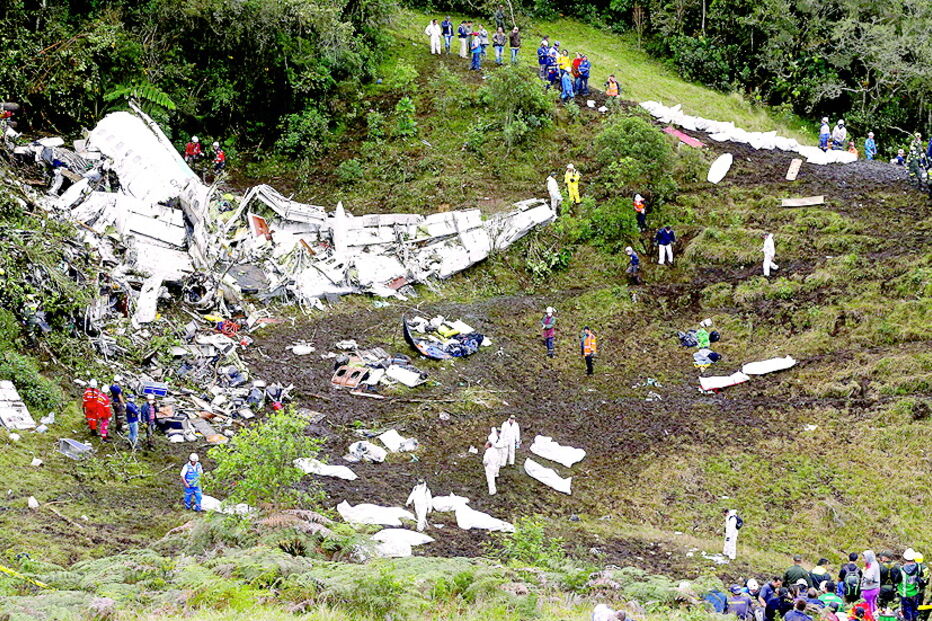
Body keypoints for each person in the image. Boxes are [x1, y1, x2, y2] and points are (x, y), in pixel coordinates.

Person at [897, 549, 922, 621]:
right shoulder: (918, 567)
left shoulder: (901, 569)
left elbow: (897, 580)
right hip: (914, 593)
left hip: (904, 594)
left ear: (905, 558)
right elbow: (921, 576)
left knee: (907, 614)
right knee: (915, 612)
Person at [859, 550, 881, 614]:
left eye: (864, 558)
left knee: (867, 607)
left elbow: (869, 578)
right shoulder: (875, 563)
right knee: (873, 605)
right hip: (875, 588)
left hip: (869, 589)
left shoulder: (871, 566)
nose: (863, 560)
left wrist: (864, 573)